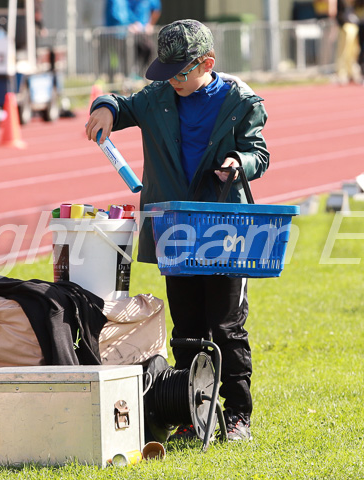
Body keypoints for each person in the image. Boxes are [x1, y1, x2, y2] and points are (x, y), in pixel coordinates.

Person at [85, 19, 270, 442]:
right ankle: (191, 413)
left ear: (208, 63)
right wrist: (104, 107)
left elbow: (259, 152)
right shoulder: (158, 96)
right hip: (176, 230)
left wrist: (240, 163)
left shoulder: (241, 101)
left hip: (226, 229)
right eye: (166, 71)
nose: (173, 80)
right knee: (187, 327)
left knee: (226, 326)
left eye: (181, 72)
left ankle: (237, 415)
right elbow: (120, 103)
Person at [336, 0, 361, 84]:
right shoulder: (341, 3)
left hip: (354, 26)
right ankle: (342, 74)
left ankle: (352, 73)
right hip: (345, 26)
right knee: (344, 52)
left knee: (354, 52)